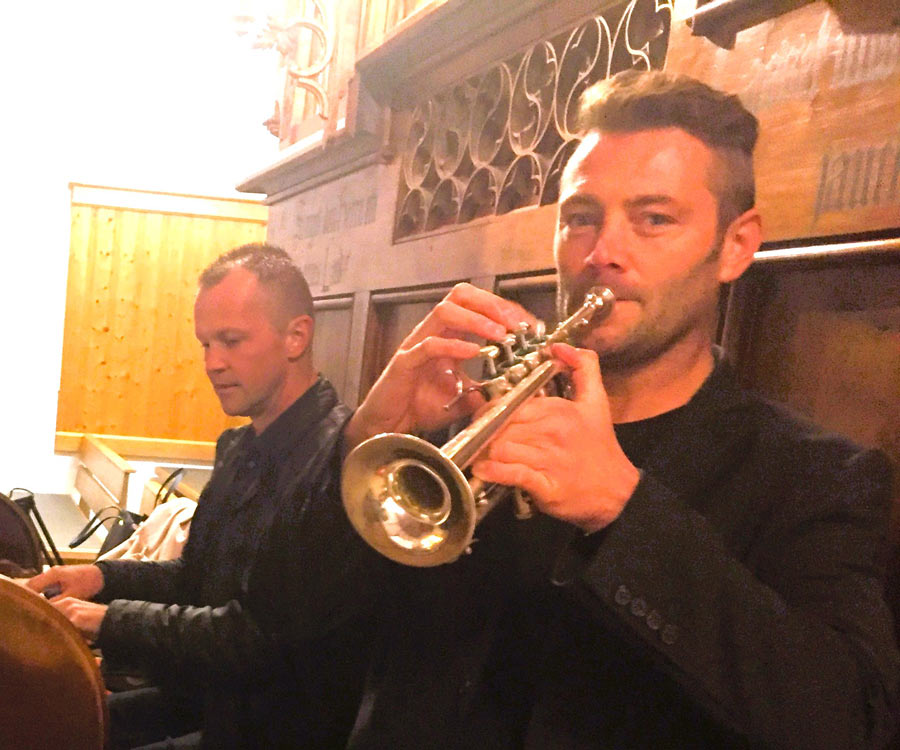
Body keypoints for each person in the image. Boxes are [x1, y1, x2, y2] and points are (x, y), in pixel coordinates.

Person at [341, 70, 900, 749]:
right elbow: (302, 626)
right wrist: (364, 437)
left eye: (653, 219)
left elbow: (849, 722)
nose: (602, 253)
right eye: (581, 218)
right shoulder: (470, 420)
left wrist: (622, 508)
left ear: (736, 246)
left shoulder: (818, 479)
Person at [28, 243, 381, 749]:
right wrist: (97, 577)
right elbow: (196, 578)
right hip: (211, 699)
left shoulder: (337, 465)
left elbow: (259, 638)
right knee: (46, 722)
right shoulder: (239, 447)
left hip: (275, 729)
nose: (213, 363)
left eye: (231, 341)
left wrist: (107, 620)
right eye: (206, 344)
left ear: (296, 336)